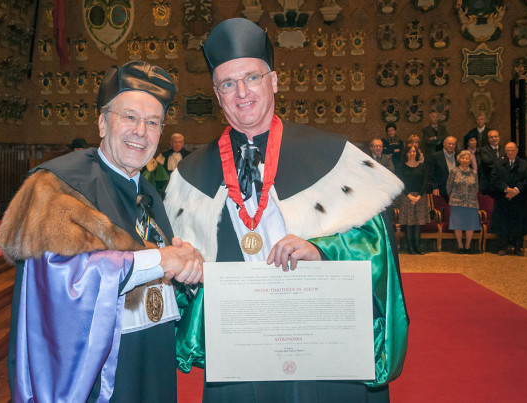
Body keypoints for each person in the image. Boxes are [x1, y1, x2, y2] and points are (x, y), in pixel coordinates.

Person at [164, 18, 408, 402]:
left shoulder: (334, 157)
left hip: (321, 343)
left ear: (274, 81)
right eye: (228, 83)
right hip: (240, 351)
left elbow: (379, 251)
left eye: (252, 78)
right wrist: (187, 270)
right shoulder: (190, 176)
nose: (241, 92)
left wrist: (323, 250)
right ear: (216, 93)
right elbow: (179, 295)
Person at [0, 60, 203, 402]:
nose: (141, 131)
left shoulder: (149, 193)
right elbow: (64, 281)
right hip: (96, 375)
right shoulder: (56, 187)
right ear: (102, 123)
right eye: (130, 117)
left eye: (153, 123)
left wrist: (187, 265)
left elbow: (163, 276)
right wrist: (159, 260)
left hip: (151, 359)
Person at [490, 142, 527, 256]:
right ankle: (502, 246)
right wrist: (506, 189)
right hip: (503, 199)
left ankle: (518, 247)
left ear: (517, 150)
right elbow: (494, 179)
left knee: (518, 223)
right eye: (508, 150)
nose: (510, 152)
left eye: (512, 150)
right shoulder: (498, 164)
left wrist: (516, 190)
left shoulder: (525, 164)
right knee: (503, 223)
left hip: (519, 200)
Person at [396, 144, 430, 255]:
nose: (412, 154)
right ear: (406, 153)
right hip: (406, 197)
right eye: (410, 152)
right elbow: (400, 183)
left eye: (414, 152)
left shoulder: (422, 167)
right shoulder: (401, 167)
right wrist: (409, 195)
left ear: (417, 153)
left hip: (420, 197)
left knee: (418, 223)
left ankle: (417, 247)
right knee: (409, 223)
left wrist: (419, 196)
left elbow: (425, 183)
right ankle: (410, 247)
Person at [447, 150, 481, 254]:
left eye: (467, 158)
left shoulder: (474, 173)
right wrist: (454, 197)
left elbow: (476, 188)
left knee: (469, 225)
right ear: (459, 159)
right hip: (456, 203)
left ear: (470, 160)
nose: (464, 160)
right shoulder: (454, 171)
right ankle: (460, 246)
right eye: (462, 158)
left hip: (471, 203)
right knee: (457, 224)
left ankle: (468, 246)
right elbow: (449, 187)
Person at [430, 136, 457, 201]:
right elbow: (431, 173)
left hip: (456, 190)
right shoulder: (435, 156)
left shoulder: (459, 156)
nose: (451, 146)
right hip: (441, 190)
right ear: (444, 144)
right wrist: (435, 187)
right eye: (449, 143)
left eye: (453, 144)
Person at [478, 129, 505, 195]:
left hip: (501, 183)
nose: (494, 139)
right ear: (488, 139)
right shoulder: (483, 150)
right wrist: (501, 159)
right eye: (491, 137)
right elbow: (487, 160)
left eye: (496, 136)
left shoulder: (504, 149)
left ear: (499, 137)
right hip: (488, 184)